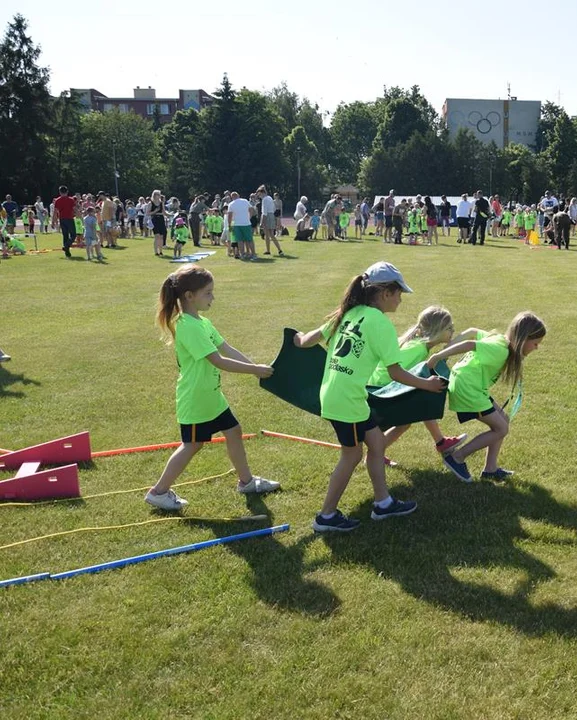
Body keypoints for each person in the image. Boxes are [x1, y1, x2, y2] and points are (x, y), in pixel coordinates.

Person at [292, 262, 447, 532]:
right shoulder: (380, 324)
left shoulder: (346, 312)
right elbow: (396, 373)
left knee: (376, 443)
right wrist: (427, 385)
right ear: (385, 293)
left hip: (336, 393)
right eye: (399, 293)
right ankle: (325, 516)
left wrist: (295, 338)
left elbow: (306, 341)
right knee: (351, 455)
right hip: (347, 400)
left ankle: (383, 503)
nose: (400, 299)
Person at [146, 265, 279, 511]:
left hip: (211, 396)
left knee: (233, 430)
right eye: (207, 293)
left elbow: (227, 348)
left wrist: (256, 369)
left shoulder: (202, 322)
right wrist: (254, 370)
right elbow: (217, 360)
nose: (213, 298)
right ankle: (158, 492)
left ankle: (246, 482)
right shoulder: (188, 326)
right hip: (196, 399)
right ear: (189, 296)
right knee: (193, 445)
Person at [427, 311, 546, 482]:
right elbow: (470, 343)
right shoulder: (500, 350)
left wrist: (446, 348)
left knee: (503, 420)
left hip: (474, 387)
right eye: (535, 343)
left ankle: (490, 469)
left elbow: (472, 331)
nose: (537, 348)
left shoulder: (500, 339)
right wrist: (438, 356)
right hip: (468, 388)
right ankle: (456, 458)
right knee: (501, 429)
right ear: (523, 339)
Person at [372, 305, 469, 463]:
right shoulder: (417, 349)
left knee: (411, 414)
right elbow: (396, 373)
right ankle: (440, 442)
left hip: (385, 387)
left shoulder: (419, 346)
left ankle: (440, 442)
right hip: (382, 391)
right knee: (421, 400)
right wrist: (426, 383)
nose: (453, 330)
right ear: (437, 330)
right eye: (449, 327)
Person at [226, 191, 254, 261]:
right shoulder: (245, 201)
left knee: (239, 240)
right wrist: (249, 217)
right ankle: (253, 254)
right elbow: (251, 210)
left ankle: (242, 254)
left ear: (232, 197)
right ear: (238, 195)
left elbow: (229, 216)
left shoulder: (231, 204)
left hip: (237, 224)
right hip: (246, 223)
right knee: (249, 239)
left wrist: (229, 225)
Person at [54, 186, 77, 257]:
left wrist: (53, 221)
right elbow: (74, 209)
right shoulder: (71, 200)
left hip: (62, 219)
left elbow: (55, 212)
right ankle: (66, 246)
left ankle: (67, 251)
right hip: (69, 218)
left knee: (65, 235)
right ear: (67, 191)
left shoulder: (57, 200)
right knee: (73, 235)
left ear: (60, 192)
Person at [259, 187, 283, 256]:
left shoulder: (264, 199)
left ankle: (270, 250)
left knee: (268, 234)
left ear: (262, 193)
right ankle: (277, 250)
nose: (259, 196)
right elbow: (274, 208)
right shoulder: (269, 198)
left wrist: (262, 222)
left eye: (260, 194)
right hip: (272, 215)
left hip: (267, 216)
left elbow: (264, 212)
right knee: (271, 235)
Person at [149, 189, 168, 256]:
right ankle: (156, 252)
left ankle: (161, 251)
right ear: (154, 195)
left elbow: (164, 212)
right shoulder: (150, 203)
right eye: (157, 194)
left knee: (161, 236)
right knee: (157, 236)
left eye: (159, 194)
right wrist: (155, 211)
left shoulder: (161, 203)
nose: (158, 196)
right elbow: (148, 213)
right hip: (155, 219)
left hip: (161, 219)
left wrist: (169, 215)